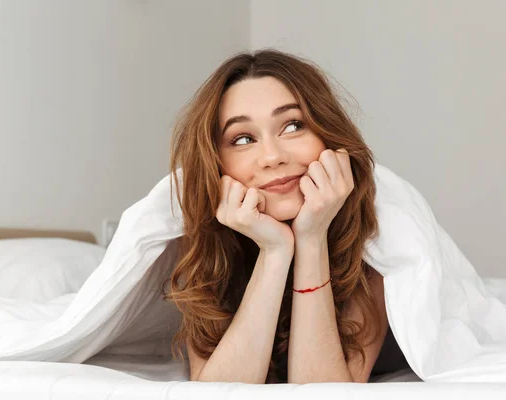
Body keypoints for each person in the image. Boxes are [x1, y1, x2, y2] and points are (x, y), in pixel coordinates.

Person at [163, 49, 408, 384]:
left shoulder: (376, 234)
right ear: (217, 163)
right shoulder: (208, 240)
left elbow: (326, 391)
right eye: (243, 138)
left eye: (293, 126)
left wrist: (312, 237)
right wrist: (276, 251)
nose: (272, 156)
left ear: (327, 136)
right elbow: (216, 390)